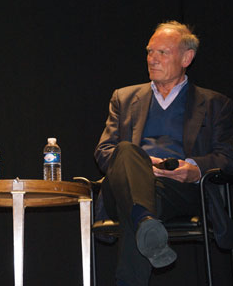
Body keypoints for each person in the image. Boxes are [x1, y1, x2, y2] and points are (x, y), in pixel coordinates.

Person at [94, 21, 233, 286]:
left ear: (186, 58)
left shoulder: (216, 104)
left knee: (136, 206)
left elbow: (227, 156)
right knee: (126, 150)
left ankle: (143, 221)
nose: (152, 59)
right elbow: (104, 152)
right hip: (121, 186)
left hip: (179, 190)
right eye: (149, 52)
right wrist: (144, 163)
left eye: (162, 53)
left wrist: (194, 168)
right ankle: (145, 220)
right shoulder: (124, 98)